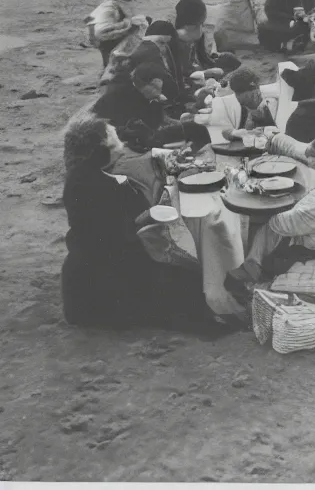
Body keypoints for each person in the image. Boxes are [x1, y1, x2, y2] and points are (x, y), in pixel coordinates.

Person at [60, 115, 225, 332]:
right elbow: (122, 234)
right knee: (188, 280)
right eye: (114, 140)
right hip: (107, 273)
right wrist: (149, 214)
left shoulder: (82, 176)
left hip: (85, 270)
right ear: (99, 150)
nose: (121, 145)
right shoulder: (100, 185)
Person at [225, 132, 315, 300]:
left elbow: (282, 224)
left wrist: (271, 206)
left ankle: (251, 273)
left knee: (268, 228)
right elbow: (301, 150)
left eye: (314, 158)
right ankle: (251, 265)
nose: (310, 160)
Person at [92, 62, 211, 152]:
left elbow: (158, 122)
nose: (158, 91)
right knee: (195, 130)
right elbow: (151, 126)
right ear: (145, 84)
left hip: (131, 132)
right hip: (116, 138)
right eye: (155, 87)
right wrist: (156, 102)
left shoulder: (137, 90)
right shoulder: (126, 95)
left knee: (195, 128)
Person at [85, 0, 149, 68]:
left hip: (104, 41)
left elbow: (90, 21)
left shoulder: (109, 3)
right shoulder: (113, 5)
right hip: (108, 40)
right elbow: (101, 33)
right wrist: (129, 28)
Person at [173, 0, 241, 78]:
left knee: (229, 58)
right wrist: (206, 73)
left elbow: (203, 56)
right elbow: (184, 71)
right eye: (199, 23)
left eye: (202, 23)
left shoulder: (196, 33)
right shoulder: (178, 40)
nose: (201, 26)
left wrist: (213, 57)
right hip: (189, 75)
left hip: (198, 67)